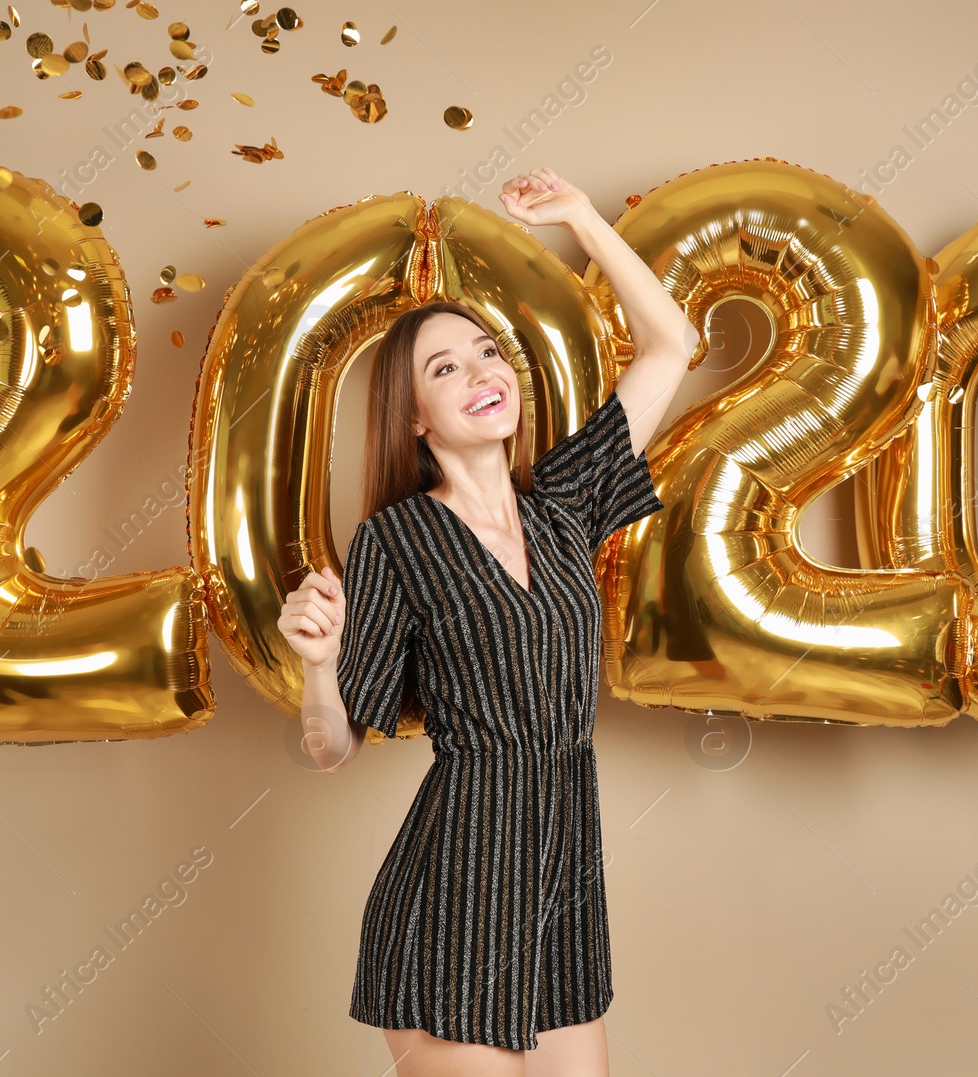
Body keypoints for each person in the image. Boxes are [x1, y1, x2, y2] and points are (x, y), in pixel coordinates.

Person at [279, 166, 699, 1077]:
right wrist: (318, 664)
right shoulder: (396, 540)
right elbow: (334, 745)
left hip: (562, 876)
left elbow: (672, 344)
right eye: (445, 367)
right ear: (417, 417)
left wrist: (583, 217)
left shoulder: (563, 505)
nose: (481, 373)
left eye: (488, 353)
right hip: (456, 887)